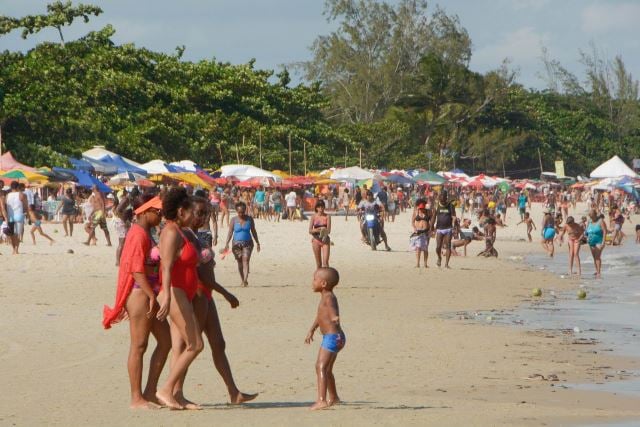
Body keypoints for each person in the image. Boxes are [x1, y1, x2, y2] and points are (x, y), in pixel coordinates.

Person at [185, 197, 258, 404]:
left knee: (218, 344)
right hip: (199, 294)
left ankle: (234, 392)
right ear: (188, 212)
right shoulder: (186, 236)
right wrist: (227, 294)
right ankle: (174, 390)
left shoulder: (196, 235)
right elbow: (202, 276)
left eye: (206, 213)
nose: (203, 217)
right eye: (199, 212)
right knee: (191, 347)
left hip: (206, 295)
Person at [103, 194, 171, 409]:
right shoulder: (138, 234)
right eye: (157, 212)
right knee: (139, 345)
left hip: (148, 292)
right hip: (140, 293)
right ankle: (136, 397)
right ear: (145, 211)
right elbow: (135, 269)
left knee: (166, 341)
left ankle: (150, 390)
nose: (160, 215)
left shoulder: (146, 232)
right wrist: (152, 295)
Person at [156, 187, 204, 410]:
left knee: (180, 346)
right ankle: (165, 390)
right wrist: (165, 298)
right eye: (191, 211)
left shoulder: (181, 231)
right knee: (196, 345)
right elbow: (165, 267)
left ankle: (177, 394)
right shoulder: (171, 232)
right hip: (174, 292)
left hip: (183, 292)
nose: (194, 216)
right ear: (180, 211)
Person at [304, 267, 345, 410]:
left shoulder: (329, 297)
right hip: (336, 337)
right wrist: (312, 329)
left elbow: (332, 310)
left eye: (315, 279)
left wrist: (335, 317)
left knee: (320, 366)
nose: (312, 282)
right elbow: (321, 315)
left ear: (323, 284)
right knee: (327, 370)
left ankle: (321, 400)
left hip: (332, 338)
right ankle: (334, 397)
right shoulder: (325, 296)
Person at [224, 201, 260, 287]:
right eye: (239, 212)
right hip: (236, 245)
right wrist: (227, 243)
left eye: (243, 212)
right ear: (237, 211)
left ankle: (245, 280)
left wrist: (257, 242)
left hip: (248, 243)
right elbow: (230, 232)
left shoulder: (249, 219)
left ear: (245, 210)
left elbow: (254, 231)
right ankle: (242, 278)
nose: (241, 214)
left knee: (246, 260)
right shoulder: (233, 220)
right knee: (239, 262)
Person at [430, 190, 456, 268]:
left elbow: (453, 216)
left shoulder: (450, 205)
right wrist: (431, 226)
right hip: (439, 229)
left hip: (448, 228)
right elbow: (434, 217)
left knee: (448, 246)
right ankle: (439, 258)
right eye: (440, 196)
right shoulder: (436, 205)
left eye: (443, 197)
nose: (442, 198)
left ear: (446, 197)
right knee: (438, 247)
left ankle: (446, 264)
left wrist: (454, 224)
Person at [6, 181, 28, 254]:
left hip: (10, 216)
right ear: (18, 187)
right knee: (18, 234)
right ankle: (16, 249)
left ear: (11, 187)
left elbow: (6, 206)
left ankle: (13, 249)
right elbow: (25, 206)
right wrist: (26, 213)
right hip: (19, 215)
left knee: (12, 234)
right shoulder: (22, 195)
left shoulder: (7, 195)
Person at [309, 201, 332, 268]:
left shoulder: (327, 216)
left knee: (325, 263)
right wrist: (317, 229)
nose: (320, 208)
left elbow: (329, 230)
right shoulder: (313, 217)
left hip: (325, 240)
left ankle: (326, 278)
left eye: (322, 206)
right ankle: (319, 277)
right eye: (319, 207)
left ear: (324, 207)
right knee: (318, 264)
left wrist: (323, 230)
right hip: (316, 240)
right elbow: (310, 230)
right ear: (316, 208)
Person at [114, 189, 134, 266]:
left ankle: (120, 260)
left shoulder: (127, 200)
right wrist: (124, 221)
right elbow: (117, 211)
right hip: (120, 222)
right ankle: (118, 261)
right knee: (121, 243)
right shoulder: (126, 199)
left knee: (123, 242)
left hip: (121, 221)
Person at [586, 210, 607, 279]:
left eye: (592, 216)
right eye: (590, 216)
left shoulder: (600, 221)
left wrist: (603, 242)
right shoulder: (589, 221)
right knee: (594, 257)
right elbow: (586, 231)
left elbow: (604, 231)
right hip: (591, 241)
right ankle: (596, 270)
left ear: (595, 215)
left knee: (597, 257)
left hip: (599, 241)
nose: (591, 218)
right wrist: (586, 237)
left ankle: (598, 272)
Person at [410, 203, 431, 268]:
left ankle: (425, 264)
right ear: (418, 208)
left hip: (426, 232)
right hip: (418, 232)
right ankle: (418, 263)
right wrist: (415, 228)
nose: (422, 209)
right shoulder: (416, 213)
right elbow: (412, 222)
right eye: (420, 208)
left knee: (425, 248)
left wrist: (430, 230)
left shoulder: (427, 213)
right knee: (418, 248)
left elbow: (431, 221)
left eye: (423, 208)